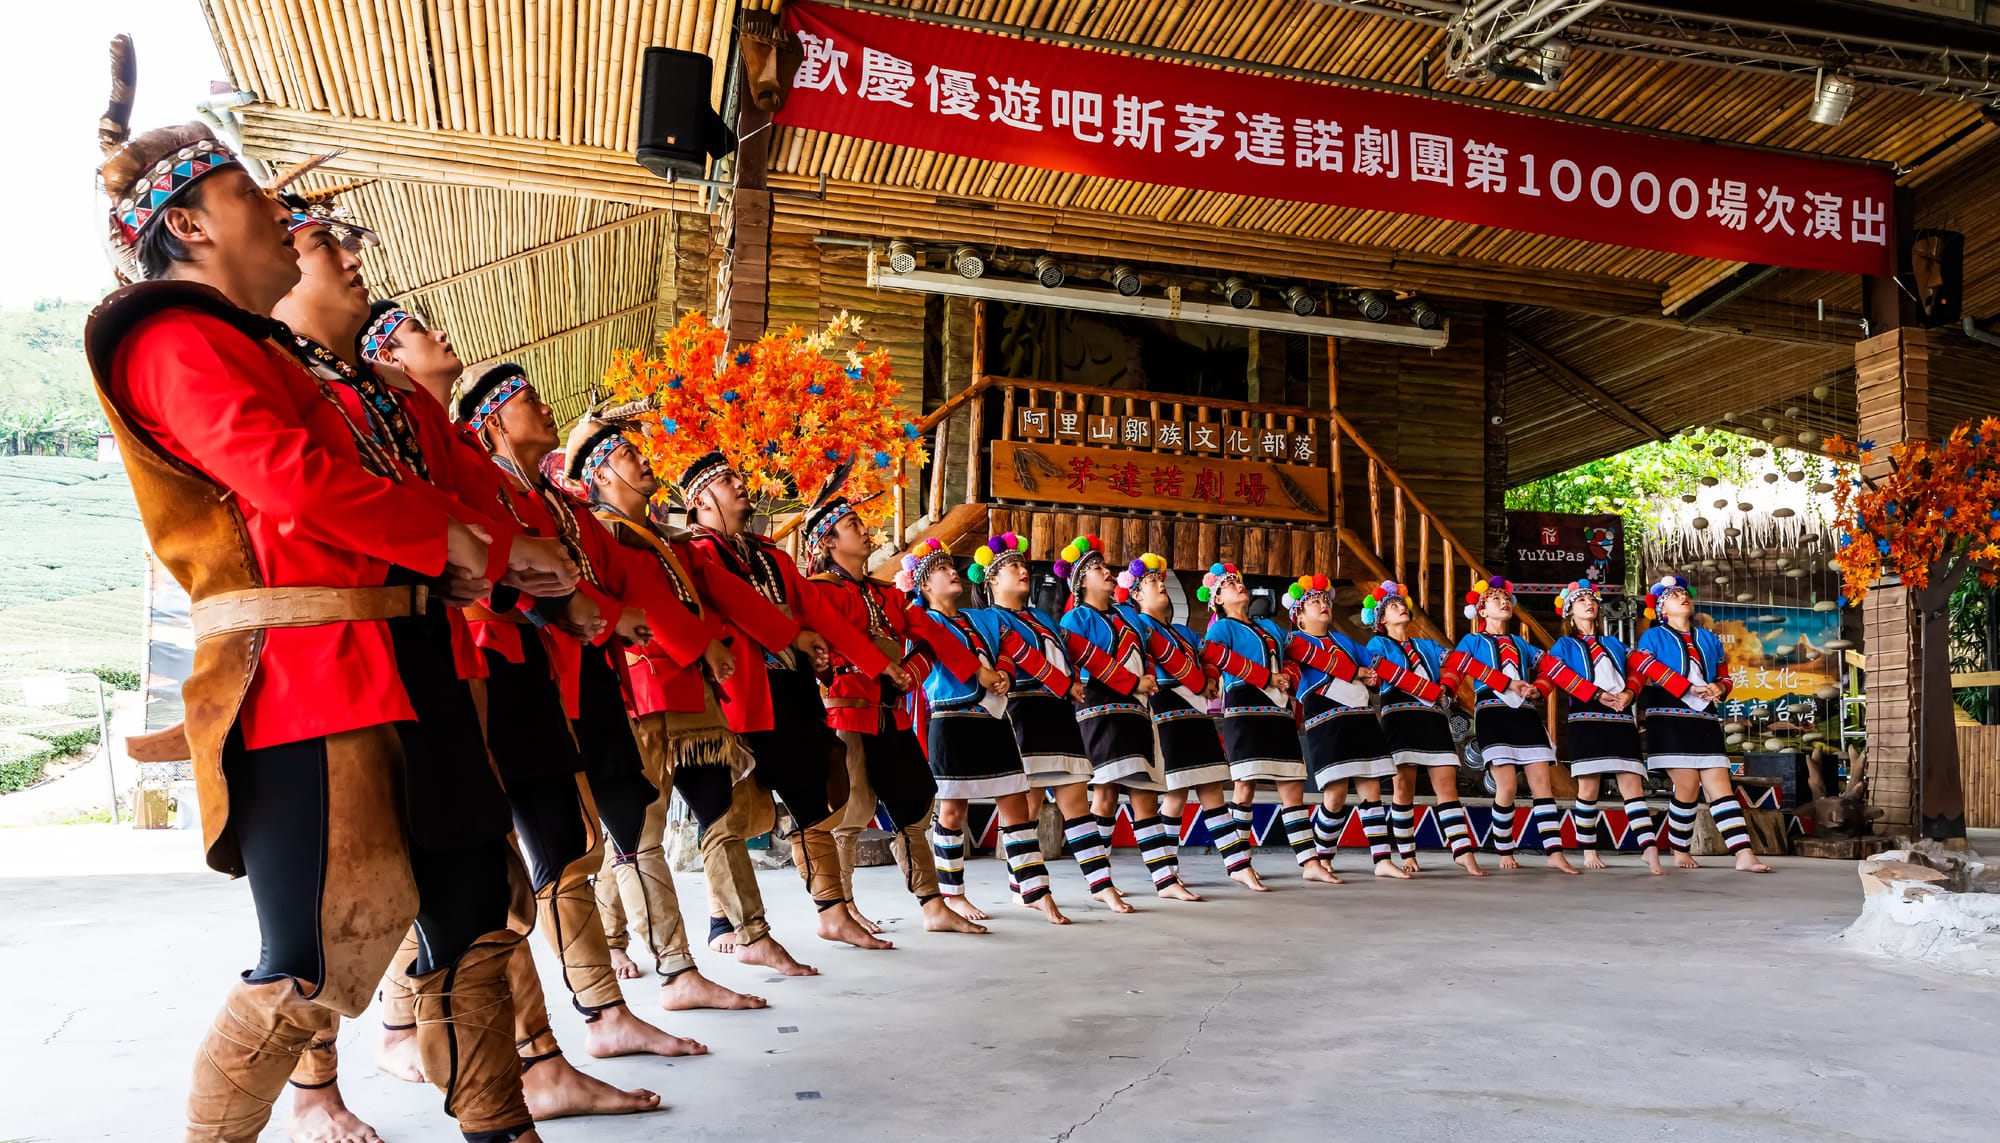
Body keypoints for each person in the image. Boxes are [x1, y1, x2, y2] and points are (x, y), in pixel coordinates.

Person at [86, 47, 561, 1139]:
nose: (288, 223)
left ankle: (504, 1128)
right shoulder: (172, 337)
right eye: (250, 195)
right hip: (306, 685)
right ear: (194, 228)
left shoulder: (293, 362)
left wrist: (492, 551)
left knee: (470, 923)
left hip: (411, 661)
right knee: (305, 965)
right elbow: (289, 482)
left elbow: (369, 486)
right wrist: (464, 543)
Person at [272, 238, 657, 1131]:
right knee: (338, 904)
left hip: (465, 661)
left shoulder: (410, 421)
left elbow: (482, 531)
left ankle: (534, 1064)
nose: (438, 336)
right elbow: (333, 506)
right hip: (346, 664)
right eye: (416, 332)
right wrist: (498, 566)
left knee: (490, 884)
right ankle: (317, 1083)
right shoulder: (306, 387)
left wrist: (547, 596)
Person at [452, 361, 711, 1058]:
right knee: (506, 861)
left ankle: (604, 1013)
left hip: (572, 676)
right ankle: (427, 1029)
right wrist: (593, 618)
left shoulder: (559, 505)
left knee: (576, 844)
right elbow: (487, 580)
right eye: (527, 400)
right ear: (492, 421)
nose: (543, 408)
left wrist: (680, 637)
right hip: (501, 670)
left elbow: (624, 586)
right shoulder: (478, 481)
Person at [568, 404, 820, 993]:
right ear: (602, 472)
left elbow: (729, 594)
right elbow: (643, 597)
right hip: (641, 692)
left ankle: (752, 934)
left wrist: (791, 635)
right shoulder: (600, 528)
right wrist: (701, 645)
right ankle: (657, 960)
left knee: (717, 813)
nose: (643, 458)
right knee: (636, 830)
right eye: (627, 454)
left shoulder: (668, 538)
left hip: (691, 698)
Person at [678, 452, 906, 948]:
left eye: (738, 477)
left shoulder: (772, 555)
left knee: (810, 797)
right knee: (728, 807)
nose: (741, 486)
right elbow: (721, 609)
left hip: (790, 690)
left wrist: (875, 661)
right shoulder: (693, 552)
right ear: (699, 501)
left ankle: (833, 912)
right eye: (727, 481)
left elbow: (818, 611)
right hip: (734, 694)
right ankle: (724, 920)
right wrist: (786, 628)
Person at [805, 511, 990, 936]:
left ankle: (933, 905)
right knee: (849, 811)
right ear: (829, 542)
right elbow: (821, 647)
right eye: (853, 525)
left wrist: (912, 671)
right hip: (843, 710)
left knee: (913, 802)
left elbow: (930, 636)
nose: (865, 530)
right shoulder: (821, 592)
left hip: (890, 711)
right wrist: (875, 668)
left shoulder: (886, 595)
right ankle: (844, 907)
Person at [905, 542, 1073, 924]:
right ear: (925, 586)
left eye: (953, 567)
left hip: (996, 721)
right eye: (942, 570)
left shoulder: (979, 618)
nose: (953, 573)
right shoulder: (923, 621)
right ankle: (953, 895)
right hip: (952, 721)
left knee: (1016, 805)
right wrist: (982, 674)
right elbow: (943, 653)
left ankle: (1036, 890)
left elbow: (1009, 648)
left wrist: (1005, 674)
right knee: (951, 810)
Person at [974, 534, 1126, 911]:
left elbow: (1077, 652)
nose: (1023, 570)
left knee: (1076, 804)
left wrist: (1079, 680)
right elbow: (1015, 657)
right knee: (1024, 810)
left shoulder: (1043, 618)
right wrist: (1066, 683)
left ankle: (1101, 885)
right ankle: (1024, 885)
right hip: (1022, 714)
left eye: (1024, 565)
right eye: (1013, 566)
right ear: (992, 579)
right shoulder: (989, 619)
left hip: (1058, 715)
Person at [1115, 553, 1267, 894]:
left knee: (1212, 787)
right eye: (1150, 582)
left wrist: (1211, 676)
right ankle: (1166, 870)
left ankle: (1237, 865)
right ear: (1136, 594)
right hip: (1166, 711)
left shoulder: (1183, 631)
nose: (1159, 585)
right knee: (1175, 792)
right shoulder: (1137, 626)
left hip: (1196, 713)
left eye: (1160, 580)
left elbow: (1208, 654)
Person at [1198, 563, 1339, 883]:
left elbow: (1292, 658)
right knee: (1245, 786)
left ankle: (1309, 862)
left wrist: (1289, 676)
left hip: (1278, 714)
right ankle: (1240, 863)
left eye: (1239, 581)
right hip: (1245, 713)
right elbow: (1214, 659)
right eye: (1229, 584)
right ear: (1217, 598)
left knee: (1291, 787)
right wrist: (1265, 677)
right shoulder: (1221, 629)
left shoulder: (1271, 627)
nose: (1238, 585)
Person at [1631, 576, 1773, 873]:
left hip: (1704, 718)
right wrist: (1685, 687)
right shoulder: (1653, 637)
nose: (1682, 597)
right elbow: (1644, 666)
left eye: (1684, 593)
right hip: (1668, 716)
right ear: (1661, 608)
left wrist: (1720, 689)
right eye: (1673, 595)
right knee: (1687, 785)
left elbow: (1723, 674)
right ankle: (1679, 846)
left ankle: (1744, 853)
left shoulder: (1708, 638)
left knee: (1720, 785)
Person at [1056, 535, 1166, 912]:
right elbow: (1086, 662)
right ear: (1081, 580)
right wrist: (1133, 681)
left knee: (1144, 794)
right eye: (1098, 569)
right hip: (1101, 711)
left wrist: (1147, 678)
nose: (1108, 573)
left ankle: (1165, 880)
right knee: (1105, 793)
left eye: (1106, 567)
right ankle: (1099, 877)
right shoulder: (1075, 618)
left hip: (1136, 710)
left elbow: (1146, 651)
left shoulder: (1128, 616)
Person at [1449, 577, 1579, 874]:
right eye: (1495, 598)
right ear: (1481, 611)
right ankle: (1503, 847)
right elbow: (1461, 665)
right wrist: (1505, 682)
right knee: (1506, 786)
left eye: (1506, 598)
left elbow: (1549, 666)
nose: (1504, 601)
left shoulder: (1521, 643)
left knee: (1542, 784)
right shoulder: (1472, 641)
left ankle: (1554, 852)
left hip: (1524, 713)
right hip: (1493, 712)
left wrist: (1539, 688)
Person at [1282, 576, 1406, 880]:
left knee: (1371, 788)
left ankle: (1381, 858)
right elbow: (1324, 663)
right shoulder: (1295, 642)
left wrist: (1374, 678)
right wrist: (1357, 672)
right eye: (1314, 601)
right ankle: (1322, 856)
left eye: (1326, 600)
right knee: (1335, 794)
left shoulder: (1347, 642)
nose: (1324, 604)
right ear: (1298, 616)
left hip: (1360, 716)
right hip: (1327, 721)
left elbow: (1374, 666)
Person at [1537, 580, 1664, 875]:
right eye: (1581, 601)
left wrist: (1630, 693)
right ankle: (1588, 848)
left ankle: (1649, 848)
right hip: (1587, 718)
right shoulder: (1565, 644)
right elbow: (1554, 671)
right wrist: (1595, 694)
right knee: (1589, 787)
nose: (1589, 604)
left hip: (1620, 717)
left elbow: (1638, 669)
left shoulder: (1615, 644)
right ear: (1570, 612)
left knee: (1632, 784)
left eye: (1592, 599)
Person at [1363, 583, 1484, 876]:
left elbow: (1456, 662)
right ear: (1380, 620)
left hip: (1432, 718)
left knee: (1447, 786)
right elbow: (1380, 675)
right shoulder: (1377, 645)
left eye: (1402, 604)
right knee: (1404, 787)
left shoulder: (1428, 645)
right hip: (1399, 716)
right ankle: (1407, 851)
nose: (1401, 608)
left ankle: (1463, 851)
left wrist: (1447, 686)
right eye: (1393, 607)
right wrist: (1430, 689)